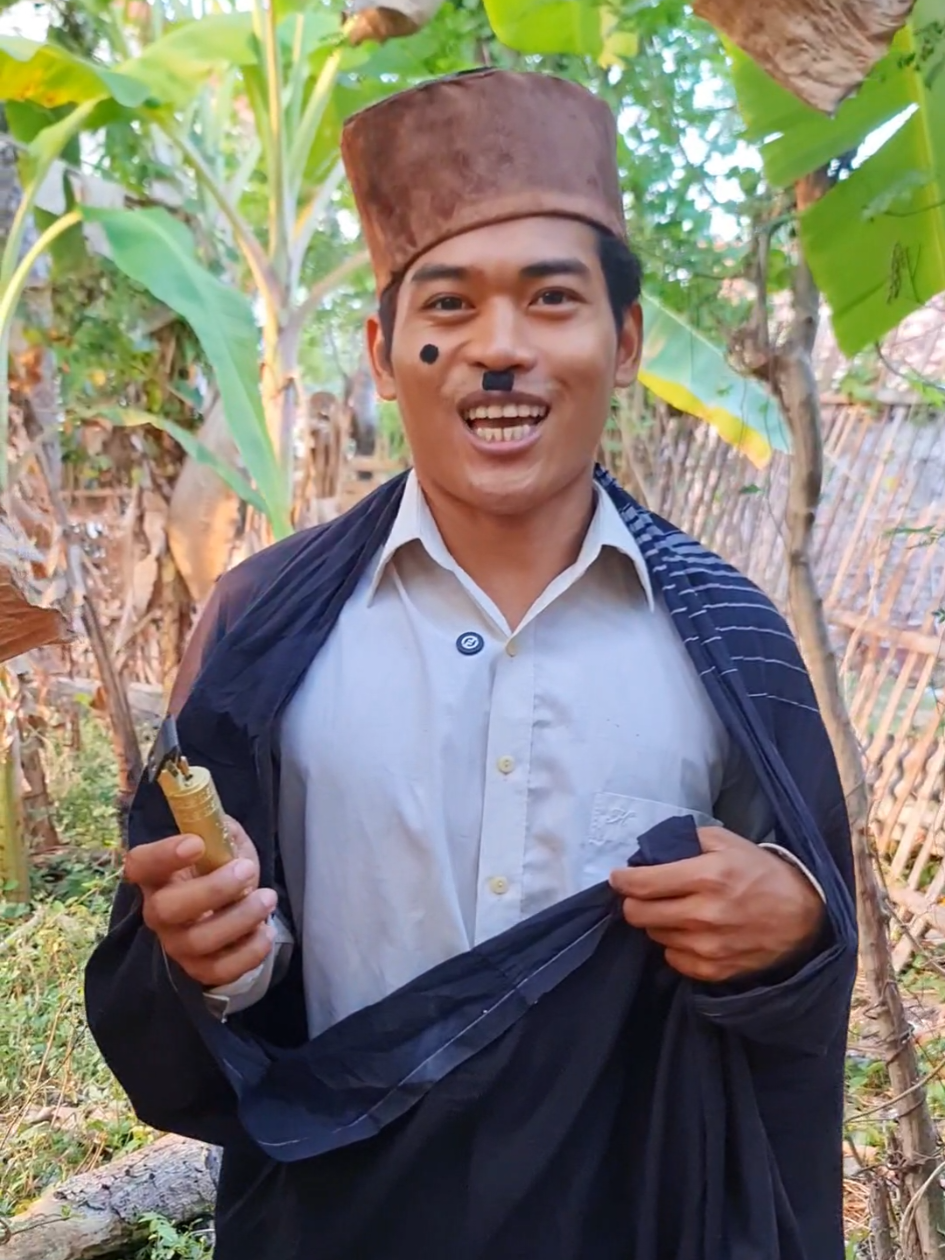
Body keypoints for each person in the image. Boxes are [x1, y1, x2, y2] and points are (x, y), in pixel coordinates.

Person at [86, 69, 857, 1260]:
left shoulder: (730, 635)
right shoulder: (263, 625)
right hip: (337, 1224)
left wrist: (793, 930)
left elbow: (805, 959)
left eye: (552, 300)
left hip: (629, 1221)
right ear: (384, 351)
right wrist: (207, 956)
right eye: (450, 305)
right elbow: (198, 977)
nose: (499, 352)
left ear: (627, 341)